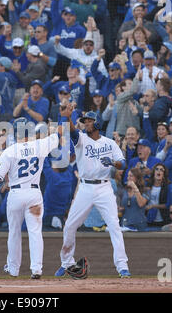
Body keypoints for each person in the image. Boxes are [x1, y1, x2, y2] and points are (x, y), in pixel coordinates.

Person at [0, 117, 61, 279]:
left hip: (16, 194)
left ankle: (14, 269)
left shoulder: (10, 151)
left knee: (14, 232)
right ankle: (36, 269)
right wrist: (63, 118)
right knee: (35, 232)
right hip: (34, 193)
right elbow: (61, 132)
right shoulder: (40, 144)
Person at [54, 108, 131, 278]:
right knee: (70, 226)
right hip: (85, 187)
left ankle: (122, 266)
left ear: (97, 123)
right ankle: (66, 262)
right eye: (85, 121)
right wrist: (66, 117)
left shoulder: (109, 143)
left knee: (114, 226)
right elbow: (73, 131)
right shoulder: (81, 139)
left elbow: (123, 163)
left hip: (104, 187)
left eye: (89, 120)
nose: (86, 123)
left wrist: (112, 162)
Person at [145, 163, 172, 228]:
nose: (159, 171)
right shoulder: (147, 185)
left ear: (164, 174)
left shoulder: (168, 187)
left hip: (163, 220)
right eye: (157, 169)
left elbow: (167, 205)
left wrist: (153, 206)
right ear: (154, 172)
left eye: (161, 170)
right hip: (149, 219)